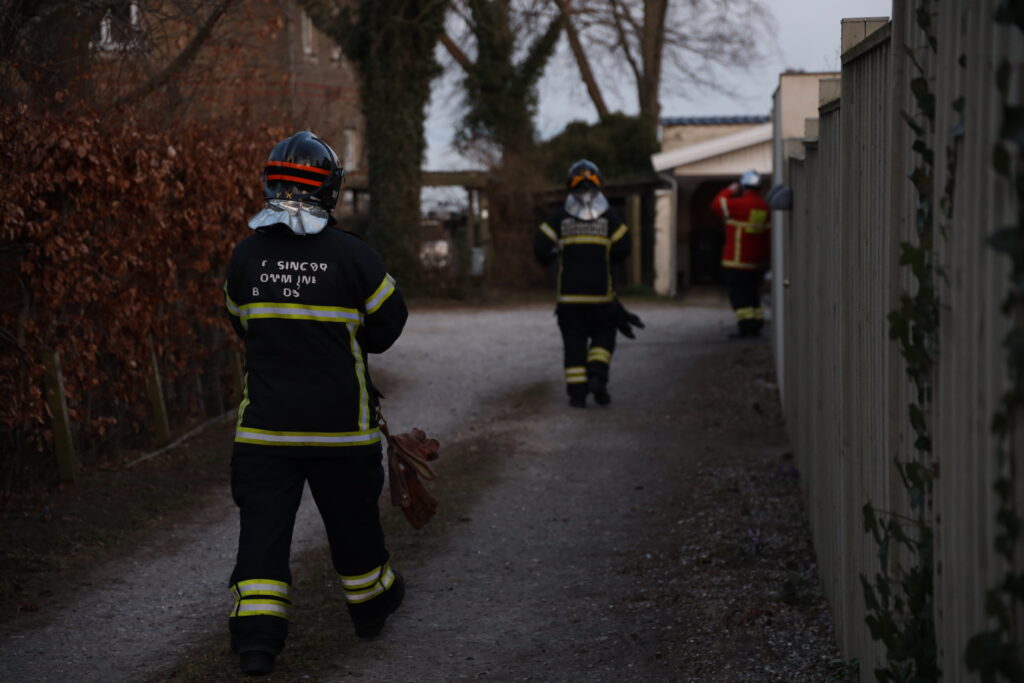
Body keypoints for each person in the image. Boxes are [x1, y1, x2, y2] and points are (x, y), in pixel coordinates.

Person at [223, 131, 408, 676]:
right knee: (353, 525)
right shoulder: (355, 256)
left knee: (262, 534)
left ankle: (257, 642)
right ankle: (372, 608)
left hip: (265, 433)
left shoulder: (245, 256)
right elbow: (389, 325)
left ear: (270, 183)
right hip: (342, 431)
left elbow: (241, 323)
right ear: (330, 189)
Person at [534, 159, 631, 408]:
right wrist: (608, 258)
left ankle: (577, 394)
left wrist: (553, 256)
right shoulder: (610, 217)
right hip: (601, 297)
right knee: (604, 335)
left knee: (574, 343)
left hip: (569, 299)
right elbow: (624, 248)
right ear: (599, 184)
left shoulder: (559, 217)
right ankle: (597, 374)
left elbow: (540, 247)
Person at [709, 169, 772, 338]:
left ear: (744, 186)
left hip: (736, 261)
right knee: (753, 295)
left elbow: (716, 205)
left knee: (739, 296)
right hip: (756, 262)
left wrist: (729, 190)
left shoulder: (738, 205)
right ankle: (756, 325)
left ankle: (745, 328)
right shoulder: (764, 207)